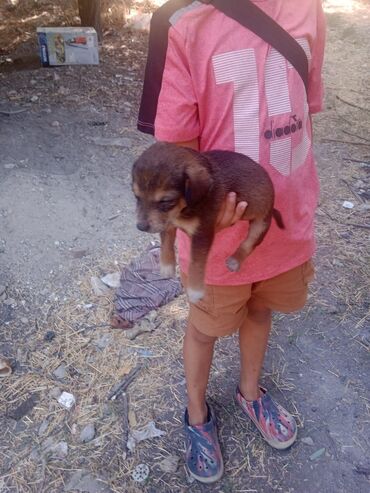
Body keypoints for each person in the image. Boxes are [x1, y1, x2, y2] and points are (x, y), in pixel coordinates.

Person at [137, 0, 326, 483]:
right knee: (204, 327)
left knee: (261, 310)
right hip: (216, 238)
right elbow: (174, 152)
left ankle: (250, 391)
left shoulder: (309, 9)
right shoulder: (182, 22)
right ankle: (197, 415)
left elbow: (305, 110)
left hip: (284, 225)